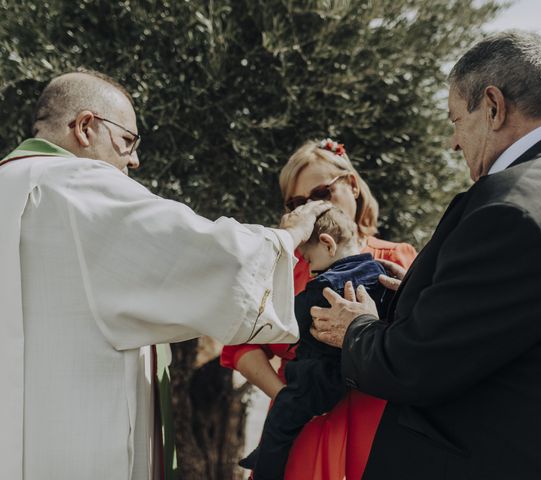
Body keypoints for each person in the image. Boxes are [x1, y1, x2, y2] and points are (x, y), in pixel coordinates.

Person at [310, 29, 541, 479]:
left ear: (493, 106)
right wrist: (428, 292)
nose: (453, 143)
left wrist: (357, 328)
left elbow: (415, 366)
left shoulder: (511, 207)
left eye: (454, 121)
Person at [0, 70, 328, 480]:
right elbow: (211, 255)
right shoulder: (78, 185)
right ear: (85, 127)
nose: (134, 160)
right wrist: (288, 236)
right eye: (127, 140)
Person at [220, 139, 416, 479]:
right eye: (297, 203)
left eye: (321, 194)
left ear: (352, 186)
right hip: (301, 433)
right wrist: (288, 398)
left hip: (378, 432)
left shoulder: (395, 259)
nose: (311, 210)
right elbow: (240, 345)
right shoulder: (282, 269)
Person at [241, 207, 389, 480]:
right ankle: (262, 453)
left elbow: (290, 320)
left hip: (316, 380)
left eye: (308, 259)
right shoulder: (380, 273)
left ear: (327, 244)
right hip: (353, 377)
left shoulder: (324, 286)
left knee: (279, 424)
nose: (308, 267)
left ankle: (264, 470)